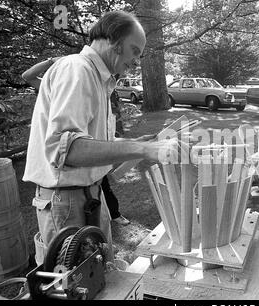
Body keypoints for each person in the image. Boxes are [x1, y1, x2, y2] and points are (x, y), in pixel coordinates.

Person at [22, 10, 182, 262]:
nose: (136, 61)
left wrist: (139, 144)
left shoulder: (99, 79)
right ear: (114, 40)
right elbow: (67, 151)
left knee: (100, 275)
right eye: (135, 51)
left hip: (89, 195)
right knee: (74, 285)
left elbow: (91, 143)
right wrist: (141, 151)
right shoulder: (77, 69)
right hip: (67, 201)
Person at [22, 58, 131, 226]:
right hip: (67, 190)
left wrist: (133, 144)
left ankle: (114, 214)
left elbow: (100, 138)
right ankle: (115, 214)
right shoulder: (69, 78)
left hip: (92, 184)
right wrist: (51, 61)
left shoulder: (99, 90)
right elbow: (27, 76)